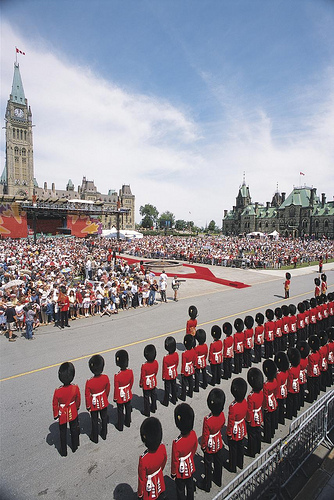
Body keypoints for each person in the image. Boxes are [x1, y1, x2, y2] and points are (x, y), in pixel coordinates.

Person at [199, 388, 226, 492]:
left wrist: (203, 446)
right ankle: (218, 479)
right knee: (218, 462)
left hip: (210, 444)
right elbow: (222, 424)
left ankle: (207, 484)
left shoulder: (208, 420)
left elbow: (205, 435)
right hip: (218, 441)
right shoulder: (222, 415)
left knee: (208, 465)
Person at [52, 362, 80, 457]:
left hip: (63, 413)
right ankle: (75, 446)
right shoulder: (75, 388)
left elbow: (55, 404)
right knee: (74, 429)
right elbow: (78, 399)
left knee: (63, 433)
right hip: (72, 410)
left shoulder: (58, 391)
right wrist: (77, 407)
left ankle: (64, 451)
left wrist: (56, 414)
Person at [171, 403, 197, 500]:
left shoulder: (177, 443)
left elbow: (175, 460)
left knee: (180, 489)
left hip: (180, 470)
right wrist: (190, 457)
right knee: (190, 486)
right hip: (189, 465)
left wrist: (173, 473)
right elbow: (194, 448)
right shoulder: (193, 434)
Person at [138, 417, 167, 500]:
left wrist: (140, 494)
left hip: (149, 486)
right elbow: (164, 462)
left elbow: (142, 479)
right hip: (159, 479)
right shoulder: (162, 448)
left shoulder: (143, 459)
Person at [85, 354, 110, 443]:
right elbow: (107, 389)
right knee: (104, 418)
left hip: (94, 403)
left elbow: (87, 395)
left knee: (94, 420)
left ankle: (94, 437)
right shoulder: (105, 378)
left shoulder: (89, 382)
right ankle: (104, 433)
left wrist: (88, 406)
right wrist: (105, 397)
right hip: (103, 400)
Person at [226, 378, 247, 473]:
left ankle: (232, 466)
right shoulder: (245, 402)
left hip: (235, 429)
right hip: (241, 427)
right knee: (240, 446)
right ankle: (240, 463)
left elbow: (231, 422)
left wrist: (229, 433)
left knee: (233, 449)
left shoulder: (233, 406)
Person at [113, 349, 134, 431]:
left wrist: (115, 398)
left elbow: (116, 388)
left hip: (120, 396)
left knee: (120, 411)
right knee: (128, 408)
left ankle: (120, 425)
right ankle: (128, 421)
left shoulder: (117, 376)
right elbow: (131, 382)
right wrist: (128, 390)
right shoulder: (130, 371)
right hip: (128, 393)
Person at [246, 368, 264, 458]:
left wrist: (248, 420)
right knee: (258, 432)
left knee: (252, 435)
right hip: (259, 414)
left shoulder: (251, 396)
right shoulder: (261, 393)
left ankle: (251, 451)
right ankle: (258, 448)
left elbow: (249, 410)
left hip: (253, 417)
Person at [262, 359, 278, 444]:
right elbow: (275, 392)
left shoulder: (266, 385)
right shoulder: (275, 381)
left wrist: (264, 407)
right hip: (273, 400)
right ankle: (272, 433)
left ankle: (267, 437)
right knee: (272, 418)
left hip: (268, 403)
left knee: (267, 422)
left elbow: (264, 398)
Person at [140, 344, 158, 417]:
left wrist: (141, 383)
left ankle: (147, 411)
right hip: (153, 381)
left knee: (146, 398)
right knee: (153, 395)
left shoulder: (144, 366)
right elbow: (156, 371)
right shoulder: (156, 362)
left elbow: (143, 376)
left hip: (146, 384)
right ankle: (154, 407)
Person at [162, 336, 179, 406]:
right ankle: (174, 398)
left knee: (167, 388)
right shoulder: (176, 354)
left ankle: (166, 401)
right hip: (174, 372)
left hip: (168, 375)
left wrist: (163, 376)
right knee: (174, 386)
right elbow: (177, 363)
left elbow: (164, 369)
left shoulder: (166, 358)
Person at [274, 351, 289, 425]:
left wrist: (276, 395)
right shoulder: (286, 372)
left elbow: (277, 386)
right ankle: (282, 419)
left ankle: (279, 419)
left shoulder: (279, 375)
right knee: (282, 405)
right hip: (284, 389)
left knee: (279, 407)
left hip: (279, 392)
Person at [180, 334, 196, 401]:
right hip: (191, 367)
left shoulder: (184, 354)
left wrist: (182, 372)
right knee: (191, 381)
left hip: (186, 369)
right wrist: (194, 366)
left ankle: (183, 396)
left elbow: (183, 364)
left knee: (184, 383)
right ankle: (190, 392)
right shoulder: (193, 351)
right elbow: (194, 359)